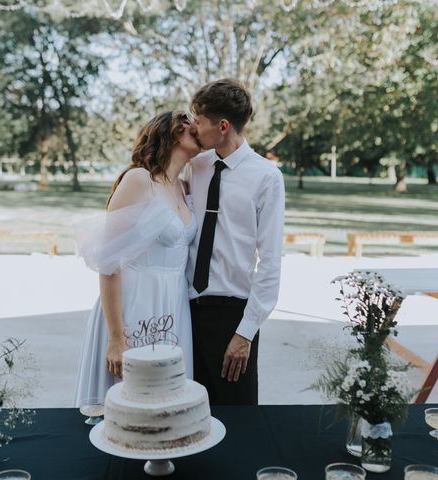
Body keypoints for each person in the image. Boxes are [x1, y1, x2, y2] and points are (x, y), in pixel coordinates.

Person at [74, 111, 201, 406]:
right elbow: (108, 263)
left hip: (174, 304)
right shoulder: (139, 180)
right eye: (186, 121)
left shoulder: (184, 187)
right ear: (168, 132)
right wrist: (116, 338)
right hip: (133, 304)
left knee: (166, 402)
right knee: (126, 402)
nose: (194, 125)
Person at [186, 78, 285, 405]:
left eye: (199, 122)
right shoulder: (196, 167)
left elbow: (270, 261)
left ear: (223, 126)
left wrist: (246, 332)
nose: (194, 129)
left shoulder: (266, 177)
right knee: (188, 413)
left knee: (239, 418)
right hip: (186, 309)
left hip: (233, 316)